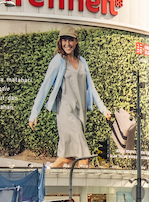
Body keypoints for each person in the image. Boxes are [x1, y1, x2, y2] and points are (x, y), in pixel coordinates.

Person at [28, 25, 111, 168]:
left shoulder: (82, 61)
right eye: (64, 40)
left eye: (70, 40)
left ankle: (49, 175)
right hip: (66, 112)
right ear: (60, 42)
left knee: (71, 157)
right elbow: (45, 86)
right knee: (83, 157)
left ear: (76, 41)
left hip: (80, 113)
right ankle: (58, 177)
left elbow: (91, 87)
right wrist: (34, 113)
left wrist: (103, 109)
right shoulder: (58, 61)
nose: (67, 44)